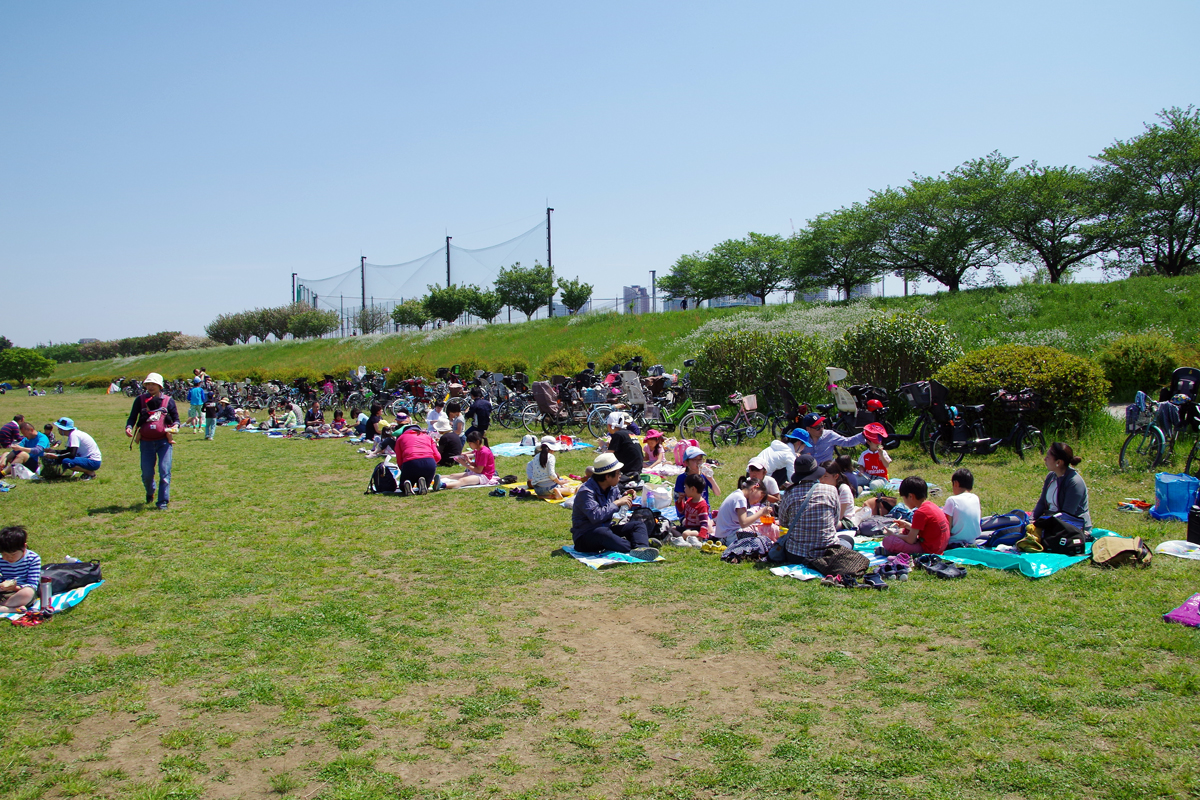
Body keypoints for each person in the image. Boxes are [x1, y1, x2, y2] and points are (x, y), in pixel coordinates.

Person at [570, 453, 658, 558]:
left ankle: (642, 547)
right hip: (586, 536)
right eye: (618, 473)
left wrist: (625, 497)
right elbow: (596, 516)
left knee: (637, 525)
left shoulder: (612, 487)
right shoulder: (586, 492)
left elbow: (616, 504)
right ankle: (634, 547)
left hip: (606, 529)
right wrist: (617, 502)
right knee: (602, 533)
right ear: (607, 476)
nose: (620, 475)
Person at [123, 373, 178, 507]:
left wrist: (175, 426)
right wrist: (129, 427)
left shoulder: (168, 400)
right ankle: (150, 491)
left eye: (153, 384)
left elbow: (176, 419)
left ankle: (163, 502)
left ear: (159, 386)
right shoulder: (140, 400)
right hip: (146, 442)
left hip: (163, 442)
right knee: (147, 474)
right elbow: (132, 417)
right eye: (148, 384)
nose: (150, 386)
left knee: (165, 472)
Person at [778, 455, 843, 562]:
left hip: (796, 553)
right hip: (827, 552)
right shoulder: (831, 490)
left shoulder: (790, 493)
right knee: (847, 541)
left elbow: (784, 523)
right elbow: (835, 521)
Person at [882, 476, 951, 556]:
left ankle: (892, 550)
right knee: (906, 530)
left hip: (929, 550)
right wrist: (907, 525)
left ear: (911, 496)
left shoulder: (920, 512)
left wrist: (893, 535)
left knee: (888, 541)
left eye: (904, 498)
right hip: (940, 546)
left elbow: (911, 540)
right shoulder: (931, 505)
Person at [1032, 442, 1092, 530]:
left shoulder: (1074, 482)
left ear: (1058, 462)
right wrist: (1031, 520)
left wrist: (1042, 524)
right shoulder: (1051, 476)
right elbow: (1042, 503)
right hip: (1052, 521)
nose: (1045, 459)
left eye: (1048, 457)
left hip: (1073, 528)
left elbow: (1067, 515)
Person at [713, 477, 769, 544]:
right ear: (754, 488)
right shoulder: (740, 498)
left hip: (725, 535)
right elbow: (744, 523)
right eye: (760, 496)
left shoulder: (737, 494)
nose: (758, 500)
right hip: (729, 537)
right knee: (761, 540)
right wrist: (761, 512)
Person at [0, 526, 40, 613]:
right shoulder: (1, 560)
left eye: (13, 554)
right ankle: (11, 608)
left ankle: (3, 607)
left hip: (20, 592)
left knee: (27, 592)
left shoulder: (33, 559)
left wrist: (15, 588)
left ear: (24, 547)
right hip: (4, 593)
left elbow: (32, 584)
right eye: (4, 554)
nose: (8, 558)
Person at [392, 424, 441, 495]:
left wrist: (402, 468)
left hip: (411, 462)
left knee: (403, 486)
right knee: (426, 483)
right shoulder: (427, 437)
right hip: (429, 462)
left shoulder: (401, 438)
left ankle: (407, 484)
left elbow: (399, 457)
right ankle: (423, 483)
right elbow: (438, 456)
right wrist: (433, 463)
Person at [526, 436, 577, 500]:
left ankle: (545, 496)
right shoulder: (551, 457)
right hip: (549, 488)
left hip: (538, 489)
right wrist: (560, 482)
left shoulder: (536, 457)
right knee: (569, 490)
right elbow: (551, 474)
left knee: (557, 487)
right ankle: (557, 491)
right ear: (552, 449)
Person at [943, 468, 983, 547]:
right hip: (972, 541)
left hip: (954, 543)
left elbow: (947, 528)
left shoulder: (952, 500)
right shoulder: (975, 498)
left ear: (956, 483)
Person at [673, 446, 719, 512]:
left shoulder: (704, 476)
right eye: (694, 460)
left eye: (700, 459)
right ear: (686, 463)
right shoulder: (681, 478)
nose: (698, 462)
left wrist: (711, 479)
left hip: (704, 511)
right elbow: (681, 508)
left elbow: (717, 493)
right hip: (688, 513)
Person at [673, 473, 712, 542]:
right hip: (687, 527)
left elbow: (704, 523)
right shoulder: (689, 501)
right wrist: (679, 501)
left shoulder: (702, 505)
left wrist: (701, 536)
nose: (684, 490)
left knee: (686, 533)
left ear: (693, 489)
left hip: (697, 529)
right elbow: (681, 511)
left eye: (686, 487)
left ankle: (685, 539)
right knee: (671, 528)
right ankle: (684, 539)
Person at [605, 412, 643, 480]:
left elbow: (606, 458)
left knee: (590, 470)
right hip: (637, 470)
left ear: (610, 426)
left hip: (627, 472)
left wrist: (603, 446)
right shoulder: (629, 433)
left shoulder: (617, 435)